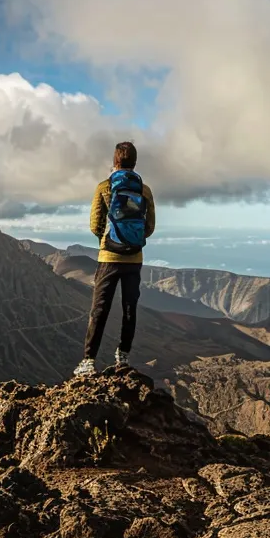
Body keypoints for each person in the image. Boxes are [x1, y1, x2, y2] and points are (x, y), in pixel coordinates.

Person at [76, 141, 156, 377]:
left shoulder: (104, 187)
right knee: (129, 307)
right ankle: (123, 356)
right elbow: (149, 227)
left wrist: (109, 239)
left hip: (109, 256)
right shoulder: (145, 190)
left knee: (99, 308)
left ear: (115, 161)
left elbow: (94, 224)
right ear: (135, 162)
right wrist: (132, 239)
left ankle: (89, 361)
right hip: (134, 258)